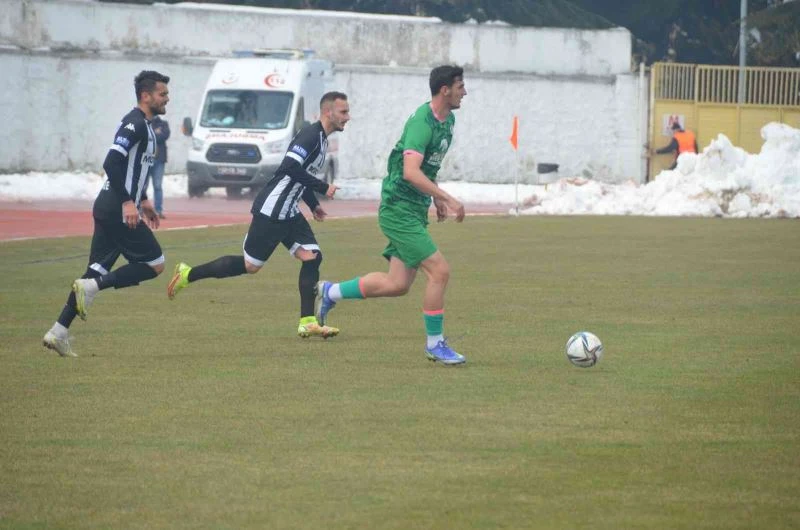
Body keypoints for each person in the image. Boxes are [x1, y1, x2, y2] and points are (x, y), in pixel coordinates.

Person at [315, 65, 468, 365]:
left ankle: (331, 292)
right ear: (445, 90)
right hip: (398, 208)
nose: (465, 92)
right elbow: (410, 172)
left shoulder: (448, 120)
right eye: (460, 86)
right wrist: (446, 197)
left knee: (397, 284)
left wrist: (434, 197)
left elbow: (427, 167)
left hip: (413, 208)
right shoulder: (422, 123)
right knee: (439, 271)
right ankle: (435, 344)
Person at [167, 92, 350, 339]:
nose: (347, 117)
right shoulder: (310, 136)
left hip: (290, 211)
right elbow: (289, 167)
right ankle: (188, 274)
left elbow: (300, 175)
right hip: (273, 210)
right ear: (328, 112)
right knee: (250, 266)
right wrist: (322, 186)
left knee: (312, 257)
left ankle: (307, 322)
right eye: (343, 112)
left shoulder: (322, 140)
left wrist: (313, 204)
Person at [42, 70, 171, 357]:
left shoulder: (147, 127)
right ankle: (93, 288)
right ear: (146, 96)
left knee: (94, 272)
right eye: (162, 93)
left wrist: (143, 200)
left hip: (111, 208)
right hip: (116, 209)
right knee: (155, 263)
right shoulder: (134, 124)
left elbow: (133, 170)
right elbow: (111, 162)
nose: (167, 98)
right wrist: (128, 202)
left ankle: (58, 332)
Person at [149, 115, 170, 219]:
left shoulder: (164, 124)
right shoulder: (145, 124)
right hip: (146, 160)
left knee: (157, 186)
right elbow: (144, 137)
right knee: (142, 186)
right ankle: (139, 209)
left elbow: (164, 136)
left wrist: (151, 134)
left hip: (159, 160)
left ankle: (158, 210)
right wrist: (155, 132)